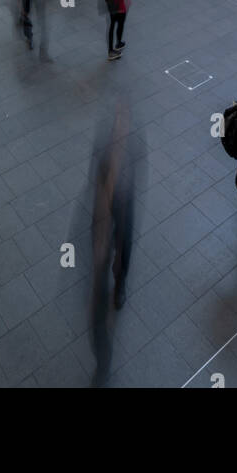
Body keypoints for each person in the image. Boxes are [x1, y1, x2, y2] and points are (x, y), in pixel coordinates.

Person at [89, 102, 136, 385]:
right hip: (104, 214)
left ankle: (120, 284)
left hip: (123, 209)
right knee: (104, 262)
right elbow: (94, 182)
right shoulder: (104, 148)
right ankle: (103, 362)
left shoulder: (132, 148)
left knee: (124, 247)